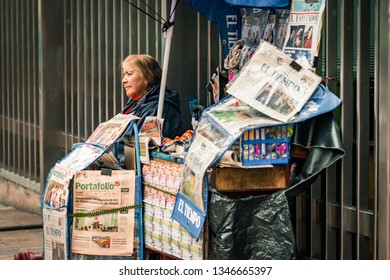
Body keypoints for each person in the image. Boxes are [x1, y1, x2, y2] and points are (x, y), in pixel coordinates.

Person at [115, 54, 183, 165]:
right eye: (124, 75)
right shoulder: (134, 102)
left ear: (147, 78)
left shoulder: (158, 107)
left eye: (129, 74)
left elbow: (142, 152)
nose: (124, 80)